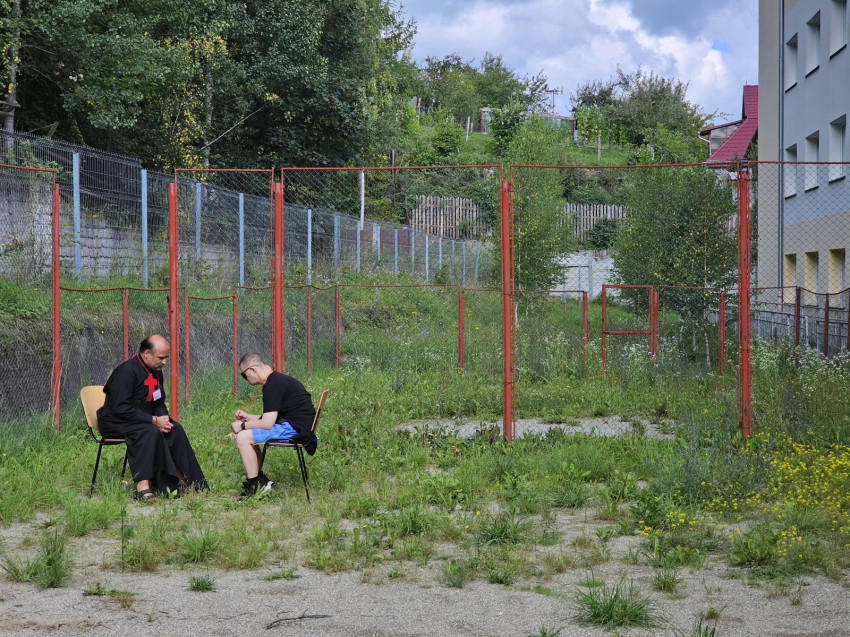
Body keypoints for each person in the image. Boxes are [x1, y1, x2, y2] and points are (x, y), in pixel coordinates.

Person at [98, 334, 207, 499]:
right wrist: (154, 421)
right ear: (147, 353)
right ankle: (143, 487)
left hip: (142, 420)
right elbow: (121, 408)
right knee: (149, 431)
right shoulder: (126, 372)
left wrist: (163, 419)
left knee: (174, 429)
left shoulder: (156, 372)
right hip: (115, 421)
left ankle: (183, 482)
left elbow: (158, 402)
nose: (164, 362)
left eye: (166, 358)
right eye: (161, 358)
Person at [230, 352, 316, 502]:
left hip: (295, 430)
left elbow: (267, 423)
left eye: (244, 375)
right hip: (297, 426)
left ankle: (255, 486)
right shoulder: (276, 380)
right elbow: (271, 418)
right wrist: (248, 417)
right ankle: (259, 480)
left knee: (243, 437)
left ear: (253, 369)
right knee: (248, 434)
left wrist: (242, 426)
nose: (246, 378)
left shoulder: (272, 385)